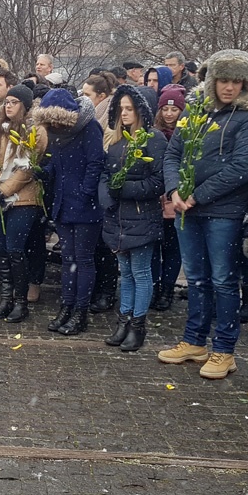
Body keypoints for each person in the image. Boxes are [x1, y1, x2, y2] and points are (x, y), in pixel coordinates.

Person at [159, 50, 248, 379]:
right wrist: (174, 190)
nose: (229, 87)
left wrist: (197, 195)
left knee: (223, 280)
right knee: (196, 278)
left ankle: (224, 349)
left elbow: (242, 167)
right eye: (223, 80)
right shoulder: (196, 111)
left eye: (236, 81)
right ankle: (194, 340)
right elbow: (173, 153)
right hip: (186, 209)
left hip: (224, 211)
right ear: (212, 81)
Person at [34, 89, 105, 336]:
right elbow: (56, 162)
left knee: (83, 259)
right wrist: (43, 172)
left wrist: (85, 193)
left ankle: (80, 311)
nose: (52, 125)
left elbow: (96, 162)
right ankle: (67, 306)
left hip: (85, 205)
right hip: (63, 203)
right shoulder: (57, 133)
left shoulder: (89, 128)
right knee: (68, 259)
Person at [101, 84, 166, 352]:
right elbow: (106, 174)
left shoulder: (154, 139)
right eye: (121, 109)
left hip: (141, 217)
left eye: (129, 109)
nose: (124, 114)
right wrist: (107, 195)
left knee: (141, 272)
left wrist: (126, 190)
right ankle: (124, 319)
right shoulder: (117, 141)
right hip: (118, 217)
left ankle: (138, 325)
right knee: (125, 273)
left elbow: (159, 181)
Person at [0, 84, 44, 323]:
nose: (8, 106)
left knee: (16, 249)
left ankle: (20, 301)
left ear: (24, 105)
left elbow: (25, 169)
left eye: (14, 102)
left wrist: (4, 191)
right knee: (2, 250)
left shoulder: (33, 130)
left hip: (22, 200)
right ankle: (5, 298)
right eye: (7, 102)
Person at [82, 71, 119, 313]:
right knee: (95, 245)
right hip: (93, 189)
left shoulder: (109, 119)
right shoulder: (92, 118)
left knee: (106, 246)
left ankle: (106, 291)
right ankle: (97, 288)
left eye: (87, 95)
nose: (83, 100)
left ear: (102, 96)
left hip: (104, 190)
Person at [150, 84, 186, 311]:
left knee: (173, 249)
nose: (169, 114)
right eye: (165, 109)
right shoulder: (154, 133)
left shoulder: (186, 134)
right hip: (155, 198)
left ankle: (167, 289)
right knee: (154, 247)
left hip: (175, 197)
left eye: (174, 110)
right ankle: (153, 287)